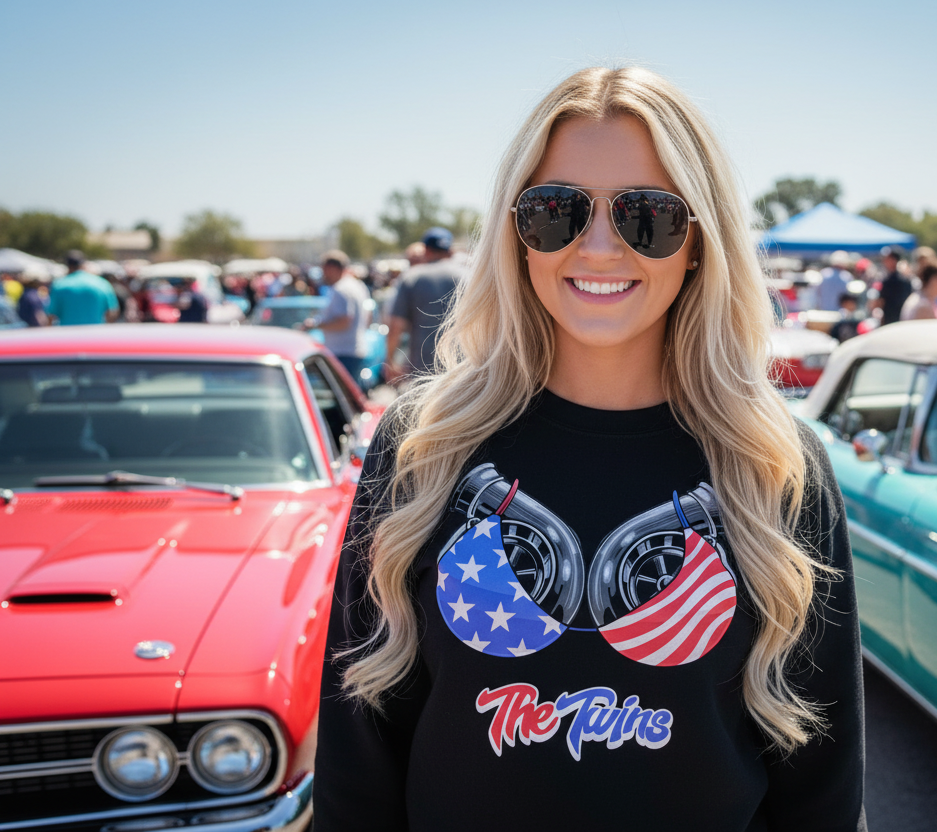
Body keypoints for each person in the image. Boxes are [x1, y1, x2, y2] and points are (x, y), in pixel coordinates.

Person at [314, 66, 866, 832]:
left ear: (700, 242)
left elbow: (824, 789)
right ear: (518, 235)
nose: (598, 247)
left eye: (648, 215)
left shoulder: (775, 462)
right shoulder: (423, 445)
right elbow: (357, 762)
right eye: (556, 211)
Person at [385, 227, 468, 381]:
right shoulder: (469, 276)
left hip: (423, 369)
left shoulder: (412, 277)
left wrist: (390, 360)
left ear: (426, 250)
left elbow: (396, 325)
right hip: (463, 367)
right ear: (450, 250)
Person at [301, 250, 371, 380]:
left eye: (324, 269)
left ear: (332, 268)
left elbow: (344, 321)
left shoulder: (341, 288)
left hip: (342, 352)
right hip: (352, 350)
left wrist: (315, 325)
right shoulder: (357, 285)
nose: (323, 274)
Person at [46, 251, 119, 325]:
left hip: (67, 334)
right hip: (95, 333)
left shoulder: (59, 285)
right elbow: (112, 313)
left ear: (68, 266)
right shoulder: (102, 283)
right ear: (84, 264)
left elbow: (50, 315)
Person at [875, 245, 911, 325]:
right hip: (901, 319)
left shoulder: (892, 281)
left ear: (894, 260)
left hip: (893, 320)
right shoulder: (905, 279)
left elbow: (881, 302)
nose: (884, 261)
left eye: (887, 259)